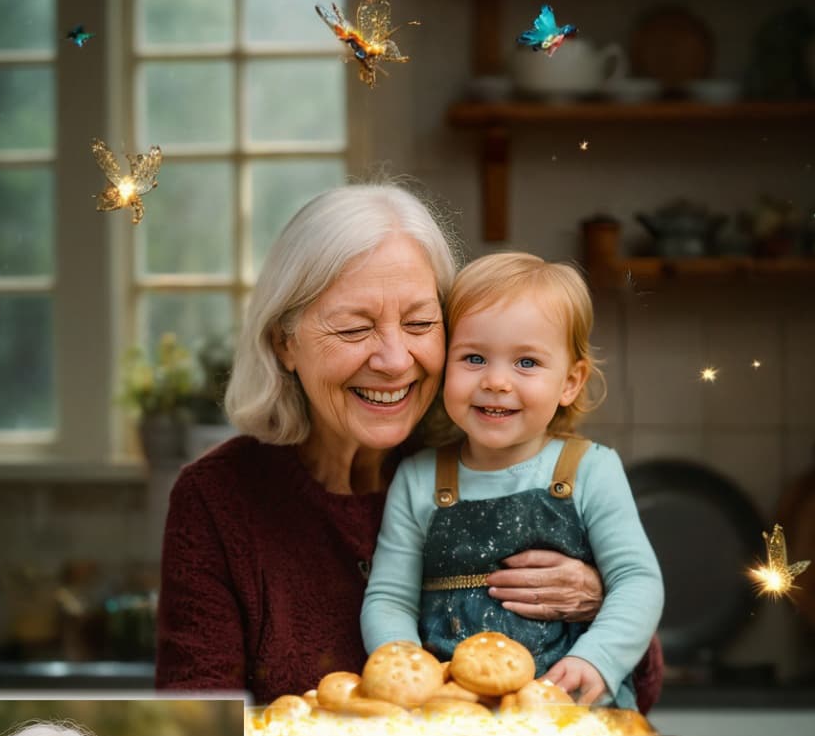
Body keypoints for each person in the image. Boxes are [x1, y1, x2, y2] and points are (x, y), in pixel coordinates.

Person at [155, 184, 614, 702]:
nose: (395, 360)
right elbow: (202, 726)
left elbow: (640, 678)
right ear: (285, 342)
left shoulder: (500, 457)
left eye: (420, 323)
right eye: (355, 329)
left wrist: (598, 599)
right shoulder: (218, 498)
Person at [361, 252, 664, 708]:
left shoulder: (591, 470)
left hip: (570, 709)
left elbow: (638, 581)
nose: (497, 381)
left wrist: (598, 660)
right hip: (451, 713)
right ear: (445, 367)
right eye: (475, 358)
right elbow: (389, 598)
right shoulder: (418, 478)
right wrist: (403, 672)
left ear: (571, 381)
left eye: (526, 363)